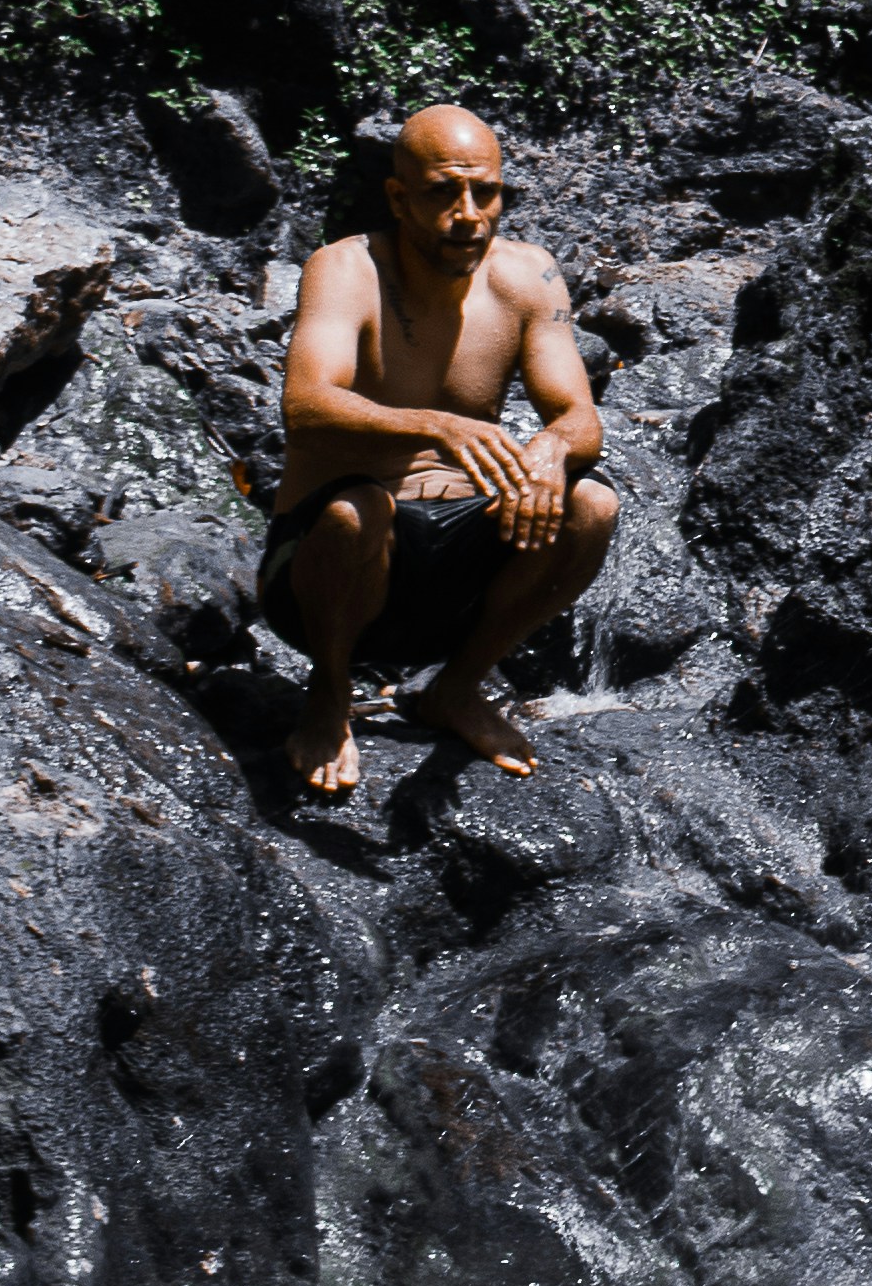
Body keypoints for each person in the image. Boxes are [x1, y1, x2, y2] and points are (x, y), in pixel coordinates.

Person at [257, 104, 616, 792]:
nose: (469, 213)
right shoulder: (345, 269)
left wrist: (547, 451)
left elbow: (580, 419)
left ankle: (456, 687)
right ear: (398, 197)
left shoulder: (531, 277)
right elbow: (305, 407)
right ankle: (329, 697)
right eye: (442, 192)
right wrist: (438, 425)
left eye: (486, 192)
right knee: (356, 510)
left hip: (450, 586)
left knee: (592, 504)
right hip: (323, 581)